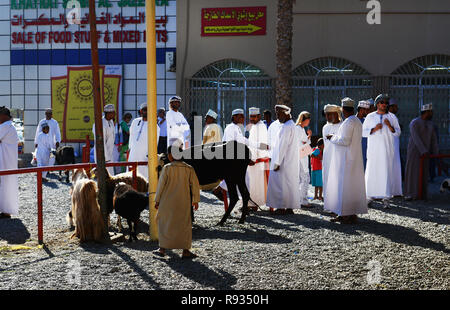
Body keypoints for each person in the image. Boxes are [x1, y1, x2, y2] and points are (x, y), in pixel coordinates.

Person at [325, 98, 367, 224]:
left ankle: (345, 214)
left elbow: (345, 140)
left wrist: (332, 138)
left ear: (343, 110)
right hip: (353, 159)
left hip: (346, 160)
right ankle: (350, 213)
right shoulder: (356, 121)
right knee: (351, 187)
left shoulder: (349, 122)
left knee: (344, 187)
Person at [154, 144, 201, 259]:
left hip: (167, 201)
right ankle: (185, 251)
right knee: (184, 224)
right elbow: (195, 185)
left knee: (165, 224)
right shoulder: (189, 168)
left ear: (170, 156)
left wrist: (157, 200)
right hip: (184, 201)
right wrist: (195, 200)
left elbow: (161, 186)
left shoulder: (167, 168)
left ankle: (162, 249)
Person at [212, 108, 268, 199]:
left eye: (243, 116)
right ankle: (219, 190)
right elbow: (238, 143)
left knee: (238, 177)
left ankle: (220, 190)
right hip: (229, 158)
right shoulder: (231, 128)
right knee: (237, 176)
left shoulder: (236, 127)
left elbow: (242, 142)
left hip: (234, 157)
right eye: (240, 117)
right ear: (234, 117)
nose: (243, 119)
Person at [362, 94, 401, 208]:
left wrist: (389, 126)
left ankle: (386, 198)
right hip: (374, 151)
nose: (384, 104)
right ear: (377, 104)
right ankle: (369, 196)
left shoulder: (392, 117)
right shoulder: (370, 117)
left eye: (385, 102)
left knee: (386, 172)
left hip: (387, 150)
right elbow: (363, 132)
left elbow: (398, 132)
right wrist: (374, 129)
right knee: (372, 171)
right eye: (382, 102)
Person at [266, 105, 301, 214]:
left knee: (280, 184)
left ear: (285, 113)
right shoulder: (292, 125)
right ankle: (289, 207)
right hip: (291, 161)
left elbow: (282, 146)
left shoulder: (286, 127)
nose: (277, 116)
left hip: (283, 161)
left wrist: (277, 162)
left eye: (279, 114)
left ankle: (281, 208)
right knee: (290, 184)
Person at [404, 103, 439, 200]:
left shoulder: (431, 125)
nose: (432, 114)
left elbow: (434, 140)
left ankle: (422, 194)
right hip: (415, 152)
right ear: (426, 112)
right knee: (413, 173)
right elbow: (416, 138)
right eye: (430, 112)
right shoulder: (414, 122)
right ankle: (410, 194)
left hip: (426, 153)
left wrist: (436, 154)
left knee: (424, 174)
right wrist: (423, 150)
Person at [128, 103, 160, 180]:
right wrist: (129, 149)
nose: (146, 112)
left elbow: (155, 143)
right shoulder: (135, 122)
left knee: (144, 180)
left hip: (145, 157)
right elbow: (131, 137)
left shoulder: (155, 126)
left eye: (148, 110)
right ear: (141, 111)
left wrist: (151, 156)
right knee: (131, 178)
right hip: (133, 155)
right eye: (144, 110)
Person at [245, 107, 269, 210]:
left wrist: (254, 159)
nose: (252, 118)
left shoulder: (261, 127)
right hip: (252, 159)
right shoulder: (254, 126)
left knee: (255, 184)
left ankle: (253, 205)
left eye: (254, 116)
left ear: (259, 116)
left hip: (257, 160)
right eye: (250, 116)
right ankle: (251, 204)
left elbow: (261, 145)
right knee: (251, 183)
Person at [0, 106, 19, 219]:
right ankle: (6, 210)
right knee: (7, 186)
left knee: (4, 185)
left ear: (3, 116)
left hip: (5, 162)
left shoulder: (5, 126)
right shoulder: (9, 126)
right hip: (8, 162)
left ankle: (6, 211)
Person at [322, 104, 342, 205]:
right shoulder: (325, 127)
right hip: (327, 159)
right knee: (328, 181)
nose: (327, 117)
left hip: (339, 159)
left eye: (330, 114)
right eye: (326, 115)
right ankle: (329, 205)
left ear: (336, 114)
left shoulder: (343, 126)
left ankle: (338, 205)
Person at [92, 104, 116, 176]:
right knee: (104, 176)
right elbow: (101, 142)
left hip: (110, 154)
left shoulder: (111, 122)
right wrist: (106, 157)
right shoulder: (100, 123)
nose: (115, 114)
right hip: (103, 156)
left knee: (110, 175)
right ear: (108, 113)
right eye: (113, 112)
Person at [295, 111, 313, 208]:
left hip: (303, 155)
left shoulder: (301, 129)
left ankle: (301, 199)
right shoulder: (297, 129)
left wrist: (308, 137)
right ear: (304, 120)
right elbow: (299, 144)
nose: (309, 122)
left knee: (303, 178)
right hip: (300, 156)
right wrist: (307, 146)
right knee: (305, 178)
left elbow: (304, 141)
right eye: (308, 120)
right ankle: (302, 200)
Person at [388, 97, 403, 194]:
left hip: (394, 147)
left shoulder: (393, 117)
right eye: (395, 107)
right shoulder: (387, 117)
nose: (397, 109)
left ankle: (394, 190)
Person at [356, 100, 371, 169]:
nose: (368, 112)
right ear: (361, 110)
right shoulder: (353, 121)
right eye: (367, 110)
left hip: (366, 151)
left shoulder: (367, 121)